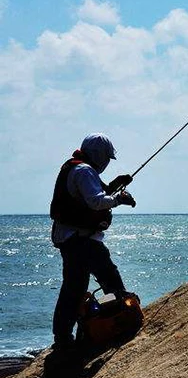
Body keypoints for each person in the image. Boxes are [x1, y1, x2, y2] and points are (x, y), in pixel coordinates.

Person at [49, 133, 136, 350]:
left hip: (70, 238)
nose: (106, 163)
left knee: (74, 288)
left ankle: (65, 337)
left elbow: (90, 196)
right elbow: (96, 201)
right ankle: (121, 318)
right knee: (109, 277)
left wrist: (115, 185)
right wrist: (119, 199)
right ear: (99, 155)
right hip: (81, 239)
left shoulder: (75, 167)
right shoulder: (85, 170)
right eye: (106, 157)